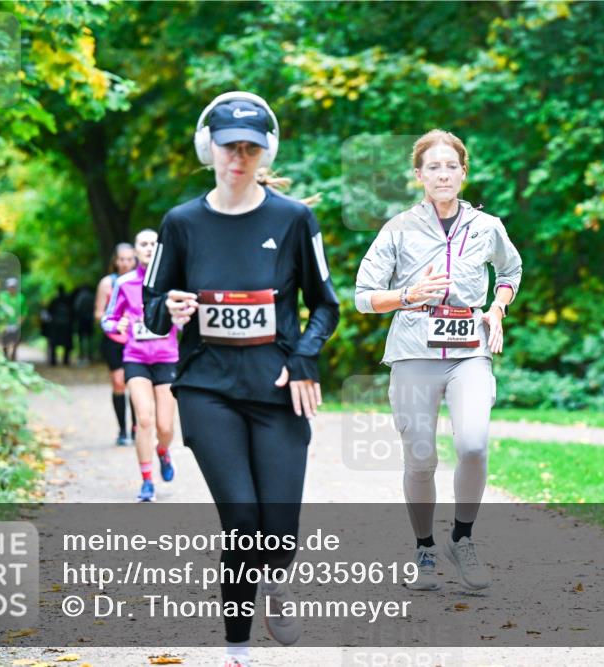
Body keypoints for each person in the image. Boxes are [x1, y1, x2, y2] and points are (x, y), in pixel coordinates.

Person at [142, 91, 339, 667]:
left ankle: (277, 581)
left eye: (251, 149)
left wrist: (303, 358)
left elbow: (324, 305)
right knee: (243, 519)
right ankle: (237, 649)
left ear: (265, 152)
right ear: (210, 148)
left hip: (277, 388)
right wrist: (171, 309)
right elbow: (153, 303)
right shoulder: (181, 223)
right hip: (207, 387)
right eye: (230, 147)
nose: (239, 158)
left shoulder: (293, 218)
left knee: (278, 525)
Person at [354, 129, 522, 592]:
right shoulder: (398, 229)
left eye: (451, 166)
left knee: (473, 444)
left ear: (464, 172)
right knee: (421, 457)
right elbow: (363, 298)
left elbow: (510, 270)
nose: (443, 174)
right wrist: (408, 294)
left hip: (469, 350)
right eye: (434, 167)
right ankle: (424, 549)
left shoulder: (487, 227)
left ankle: (462, 539)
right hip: (413, 351)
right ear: (419, 176)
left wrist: (497, 307)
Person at [102, 230, 179, 502]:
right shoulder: (123, 283)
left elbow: (185, 318)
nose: (148, 248)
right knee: (144, 419)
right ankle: (147, 482)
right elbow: (107, 319)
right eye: (143, 244)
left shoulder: (172, 282)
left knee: (165, 427)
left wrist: (181, 320)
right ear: (135, 251)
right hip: (135, 358)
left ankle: (163, 451)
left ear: (160, 249)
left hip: (167, 358)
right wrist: (117, 325)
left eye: (153, 243)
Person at [95, 243, 138, 446]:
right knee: (119, 382)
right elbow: (98, 313)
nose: (125, 263)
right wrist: (114, 322)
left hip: (136, 339)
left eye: (129, 259)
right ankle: (122, 430)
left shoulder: (141, 280)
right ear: (115, 261)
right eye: (122, 259)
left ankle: (137, 427)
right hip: (114, 340)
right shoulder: (107, 283)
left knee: (136, 384)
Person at [45, 285, 74, 366]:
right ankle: (65, 360)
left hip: (55, 324)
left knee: (54, 343)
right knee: (67, 343)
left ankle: (53, 360)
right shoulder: (68, 301)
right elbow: (73, 312)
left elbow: (48, 311)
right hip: (67, 324)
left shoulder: (55, 300)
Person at [0, 277, 25, 361]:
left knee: (16, 340)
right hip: (5, 323)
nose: (11, 289)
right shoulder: (2, 296)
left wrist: (19, 322)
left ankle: (13, 355)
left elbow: (24, 311)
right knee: (5, 341)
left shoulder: (21, 298)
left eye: (13, 287)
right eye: (10, 287)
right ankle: (5, 356)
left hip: (16, 323)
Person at [71, 284, 96, 364]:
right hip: (90, 319)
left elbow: (76, 307)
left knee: (81, 338)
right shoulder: (92, 296)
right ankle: (90, 355)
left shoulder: (80, 296)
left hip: (82, 320)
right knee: (90, 338)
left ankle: (82, 355)